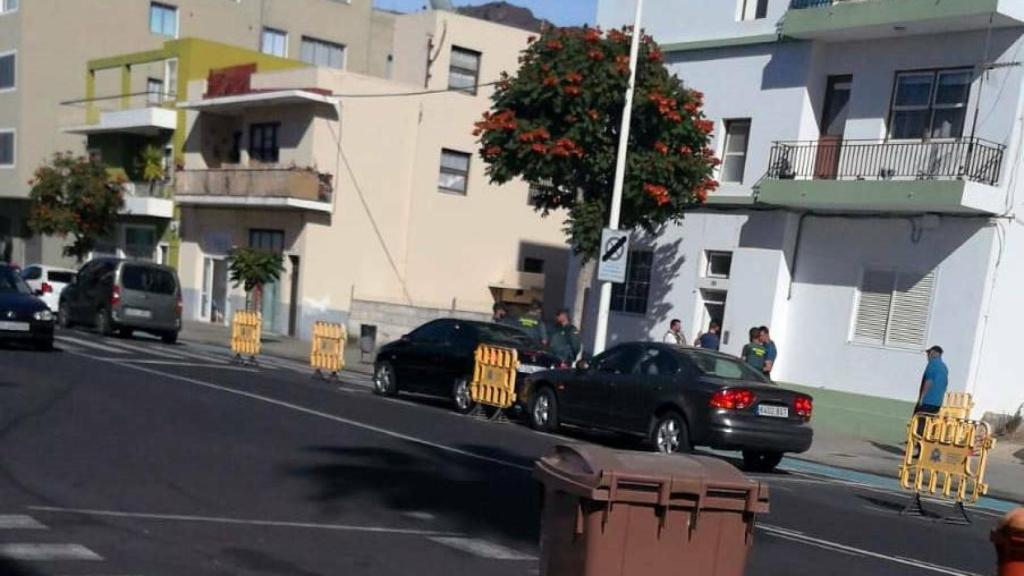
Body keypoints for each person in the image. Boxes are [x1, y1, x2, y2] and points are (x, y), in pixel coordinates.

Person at [916, 345, 949, 415]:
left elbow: (928, 382)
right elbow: (945, 384)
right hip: (938, 403)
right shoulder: (944, 367)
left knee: (919, 422)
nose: (927, 356)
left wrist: (921, 398)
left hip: (927, 401)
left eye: (928, 353)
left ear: (933, 353)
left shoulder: (932, 364)